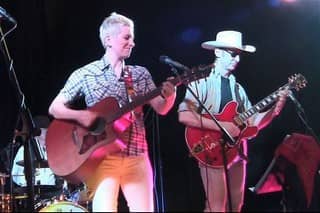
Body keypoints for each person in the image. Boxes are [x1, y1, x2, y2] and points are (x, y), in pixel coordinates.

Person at [48, 12, 176, 212]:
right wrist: (82, 115)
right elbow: (55, 108)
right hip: (101, 159)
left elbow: (161, 108)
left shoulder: (139, 74)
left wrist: (170, 96)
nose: (132, 43)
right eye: (127, 37)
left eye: (132, 38)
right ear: (108, 40)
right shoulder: (85, 73)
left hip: (137, 157)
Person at [177, 30, 288, 212]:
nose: (237, 59)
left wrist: (273, 112)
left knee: (236, 205)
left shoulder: (238, 89)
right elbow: (184, 115)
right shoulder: (200, 83)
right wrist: (223, 126)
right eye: (233, 54)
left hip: (237, 150)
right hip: (210, 147)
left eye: (239, 55)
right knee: (216, 205)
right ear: (218, 52)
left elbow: (253, 123)